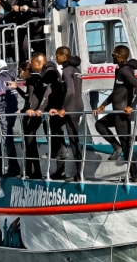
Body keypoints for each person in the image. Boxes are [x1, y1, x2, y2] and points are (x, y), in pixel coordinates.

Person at [93, 45, 137, 183]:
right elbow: (116, 92)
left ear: (119, 56)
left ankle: (134, 176)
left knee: (127, 145)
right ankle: (116, 146)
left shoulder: (126, 70)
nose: (112, 57)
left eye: (113, 54)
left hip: (122, 114)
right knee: (100, 124)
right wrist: (103, 105)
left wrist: (131, 106)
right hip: (116, 112)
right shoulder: (120, 70)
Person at [22, 53, 64, 179]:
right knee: (51, 133)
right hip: (50, 111)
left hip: (55, 111)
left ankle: (61, 167)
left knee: (57, 136)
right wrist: (30, 108)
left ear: (39, 62)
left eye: (32, 62)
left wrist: (40, 109)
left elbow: (48, 92)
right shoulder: (43, 75)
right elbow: (37, 96)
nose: (31, 65)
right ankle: (58, 167)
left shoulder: (50, 72)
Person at [52, 46, 84, 181]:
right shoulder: (76, 70)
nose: (56, 58)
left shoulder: (66, 70)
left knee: (74, 140)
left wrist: (63, 108)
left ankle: (79, 174)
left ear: (63, 56)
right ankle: (62, 167)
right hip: (78, 106)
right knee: (71, 137)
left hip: (71, 108)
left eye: (57, 55)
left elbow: (70, 91)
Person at [0, 59, 22, 177]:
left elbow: (2, 96)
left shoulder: (1, 78)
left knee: (7, 140)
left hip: (4, 113)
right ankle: (13, 167)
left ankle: (13, 168)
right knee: (8, 140)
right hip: (11, 112)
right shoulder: (10, 76)